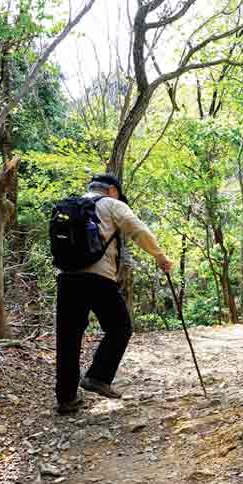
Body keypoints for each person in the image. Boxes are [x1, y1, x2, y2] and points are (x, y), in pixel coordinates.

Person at [55, 174, 174, 415]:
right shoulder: (111, 204)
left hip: (67, 279)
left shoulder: (68, 206)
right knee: (120, 327)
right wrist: (160, 256)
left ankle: (66, 399)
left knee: (68, 337)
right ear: (111, 190)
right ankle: (98, 377)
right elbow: (138, 230)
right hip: (99, 278)